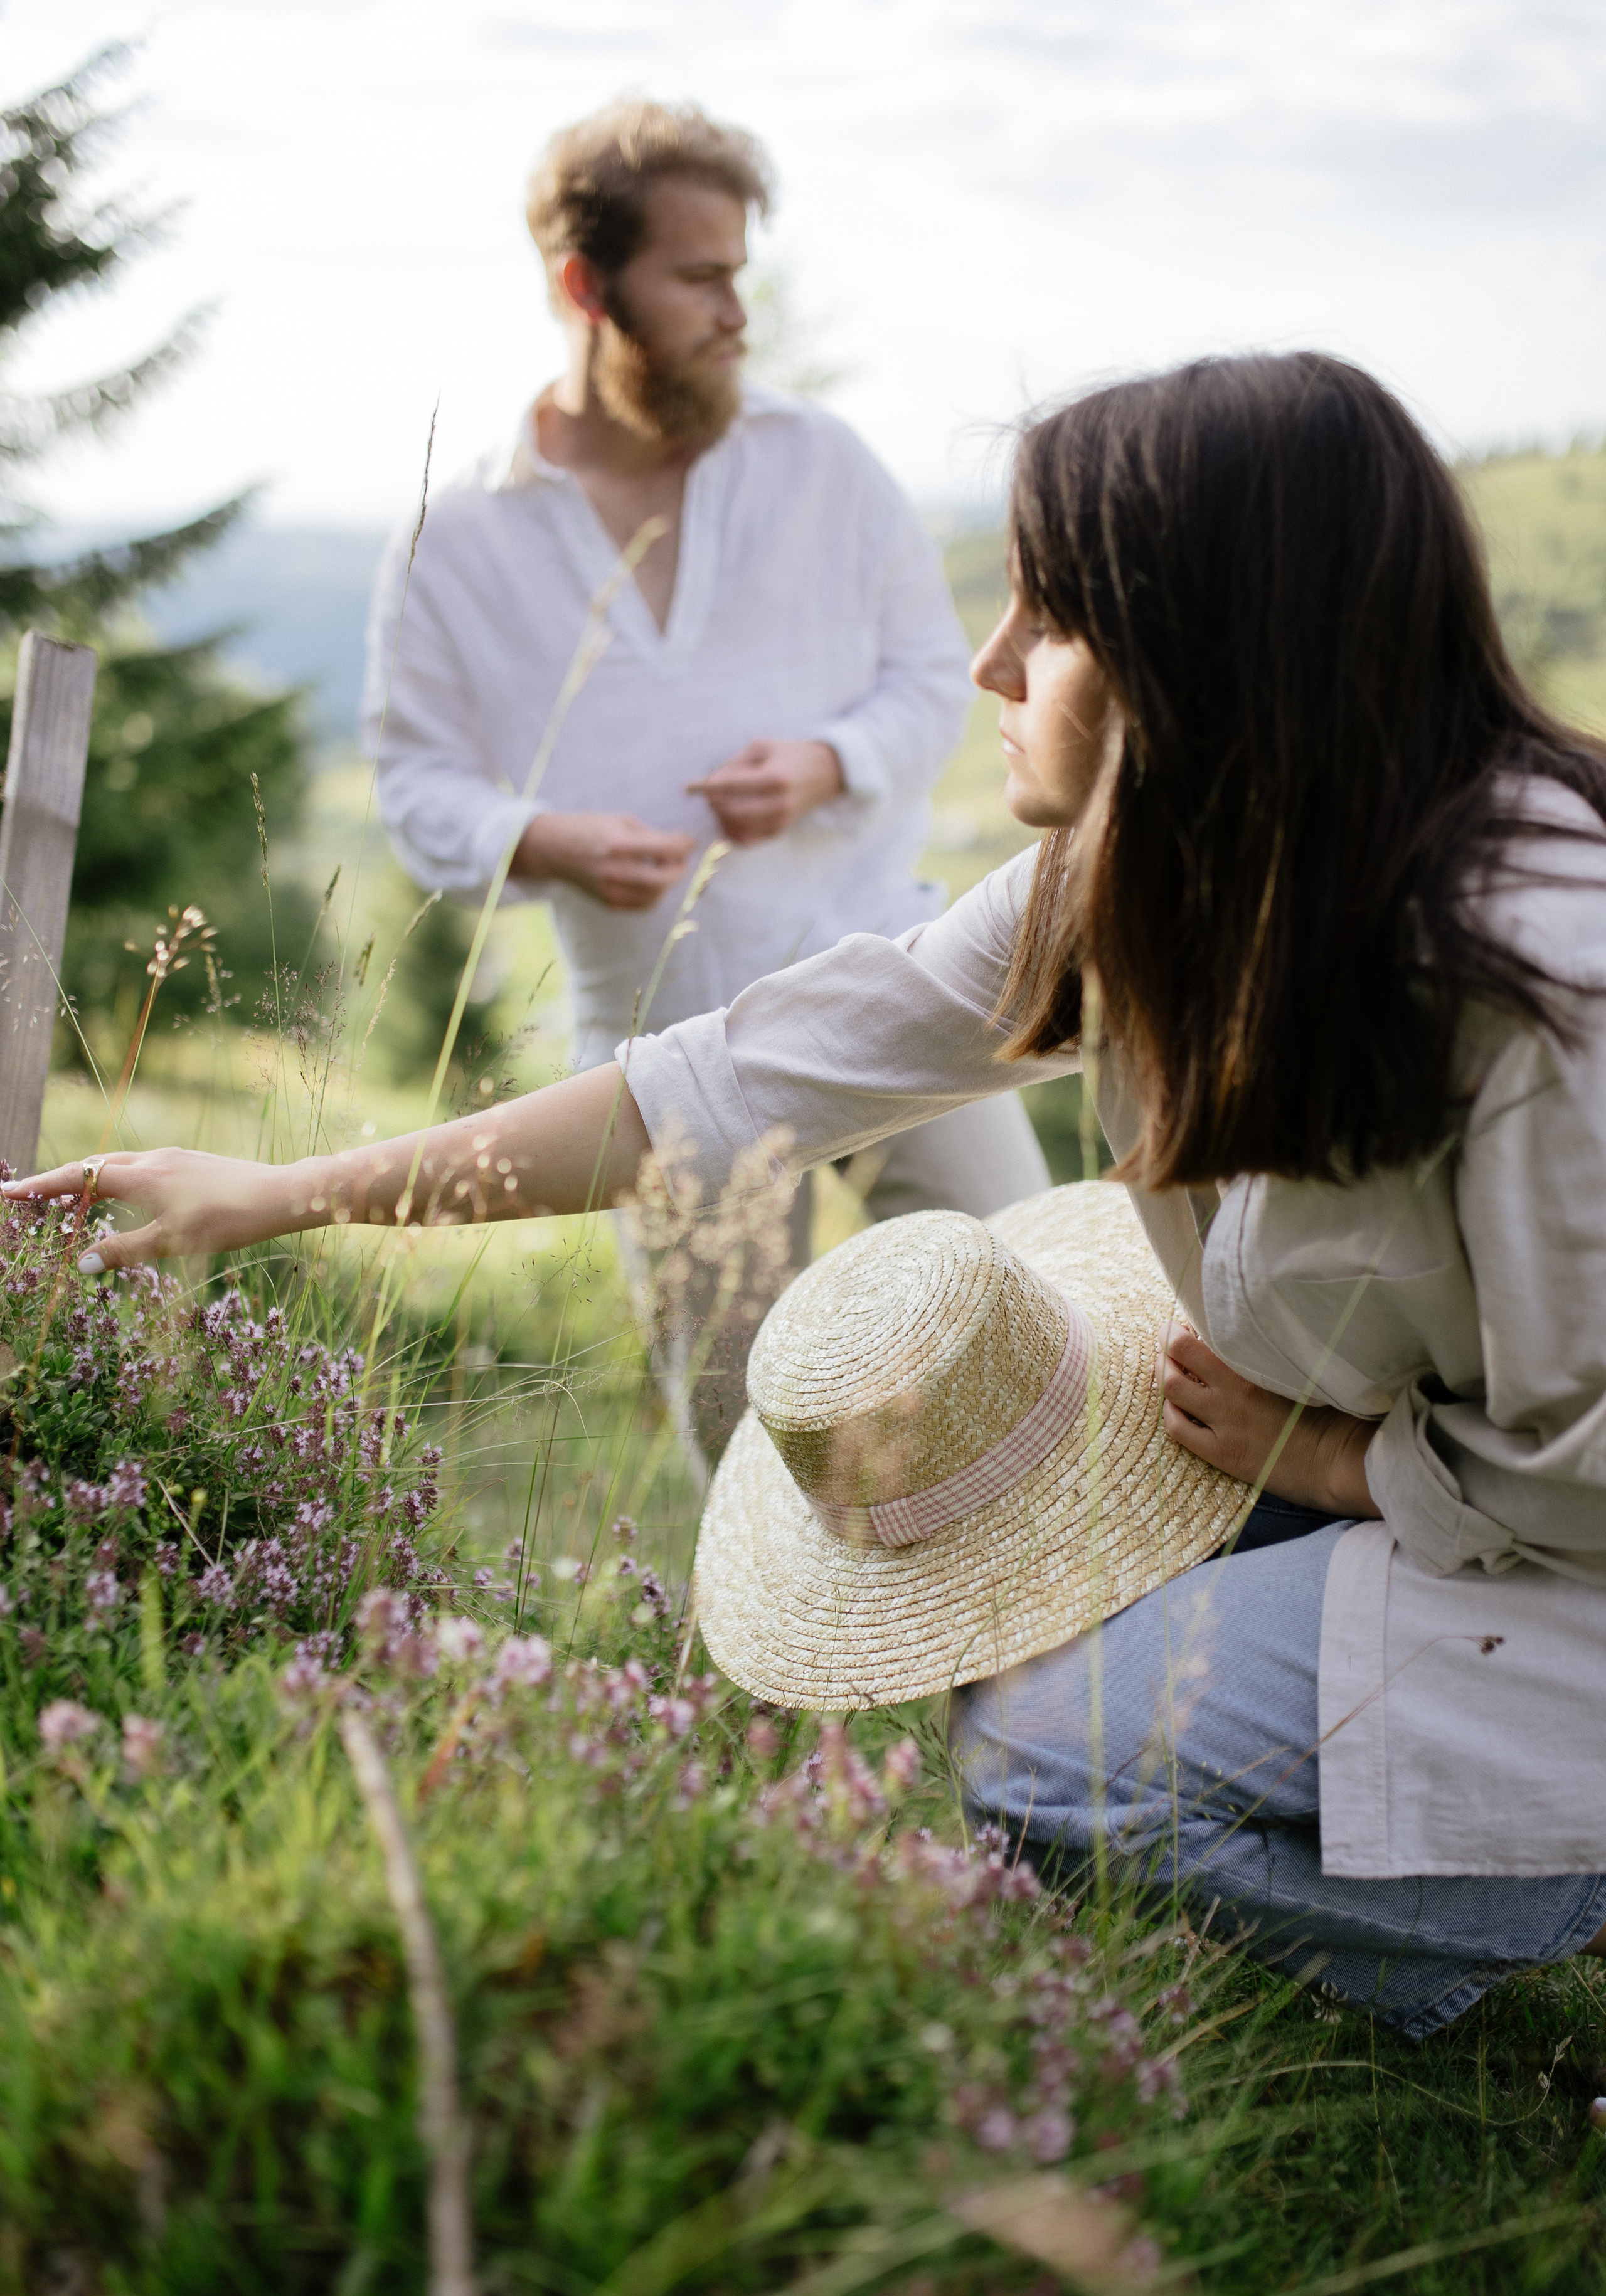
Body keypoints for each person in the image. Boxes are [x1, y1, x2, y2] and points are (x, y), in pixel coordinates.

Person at [21, 350, 1606, 2034]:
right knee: (1018, 1630)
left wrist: (1352, 1466)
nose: (989, 662)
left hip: (1557, 1547)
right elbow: (721, 1086)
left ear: (1206, 662)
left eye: (1048, 621)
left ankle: (1526, 1929)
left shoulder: (1541, 987)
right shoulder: (1139, 875)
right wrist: (285, 1194)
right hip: (1407, 1452)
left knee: (1052, 1775)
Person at [361, 96, 1047, 1472]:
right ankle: (811, 1693)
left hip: (900, 986)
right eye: (699, 276)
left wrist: (824, 760)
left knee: (1040, 1324)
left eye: (739, 272)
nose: (737, 310)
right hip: (661, 1059)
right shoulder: (456, 532)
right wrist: (534, 837)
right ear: (584, 284)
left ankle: (1070, 1672)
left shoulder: (823, 465)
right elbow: (412, 785)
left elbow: (942, 680)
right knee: (749, 1451)